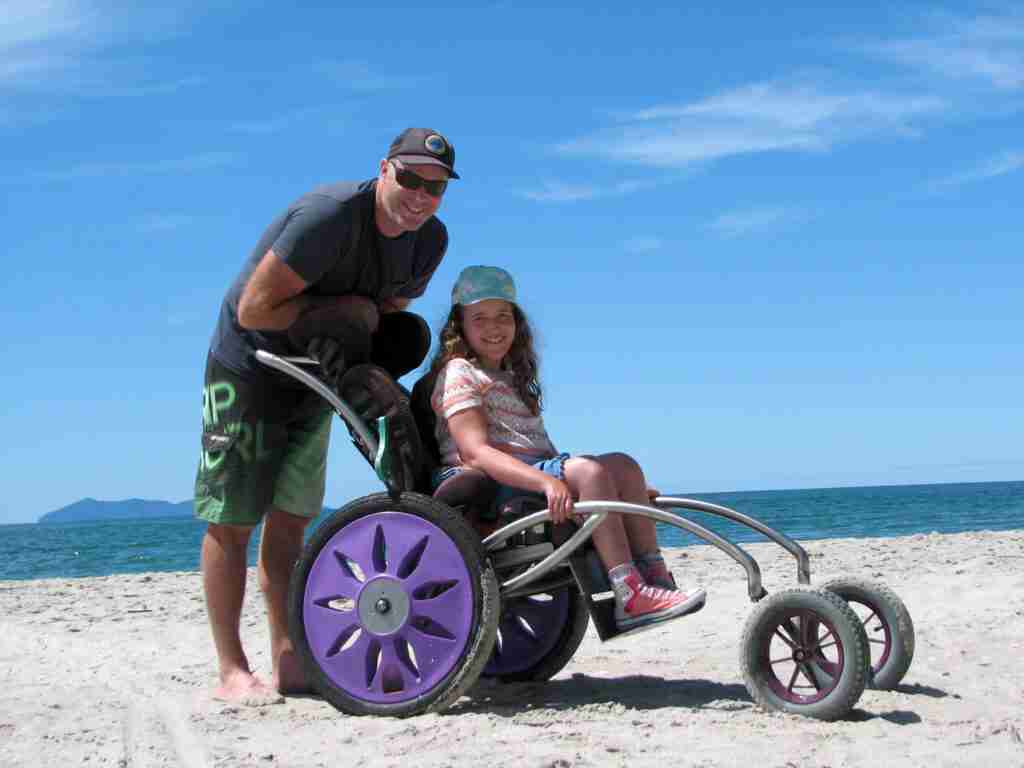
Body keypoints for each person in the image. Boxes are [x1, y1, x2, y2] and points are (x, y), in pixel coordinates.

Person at [193, 128, 458, 704]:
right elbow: (253, 309)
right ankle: (231, 670)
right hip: (248, 368)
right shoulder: (329, 216)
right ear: (384, 169)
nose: (420, 195)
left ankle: (289, 660)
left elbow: (386, 316)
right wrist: (347, 309)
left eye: (435, 187)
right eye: (410, 178)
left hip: (314, 372)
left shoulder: (429, 240)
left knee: (292, 518)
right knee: (233, 520)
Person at [426, 265, 707, 631]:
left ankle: (655, 578)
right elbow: (475, 452)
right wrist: (548, 482)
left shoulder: (512, 377)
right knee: (589, 471)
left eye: (503, 316)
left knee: (624, 466)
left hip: (528, 470)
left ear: (517, 323)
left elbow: (543, 451)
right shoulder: (459, 373)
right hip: (490, 481)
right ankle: (629, 593)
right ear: (459, 326)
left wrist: (625, 492)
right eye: (479, 318)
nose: (494, 327)